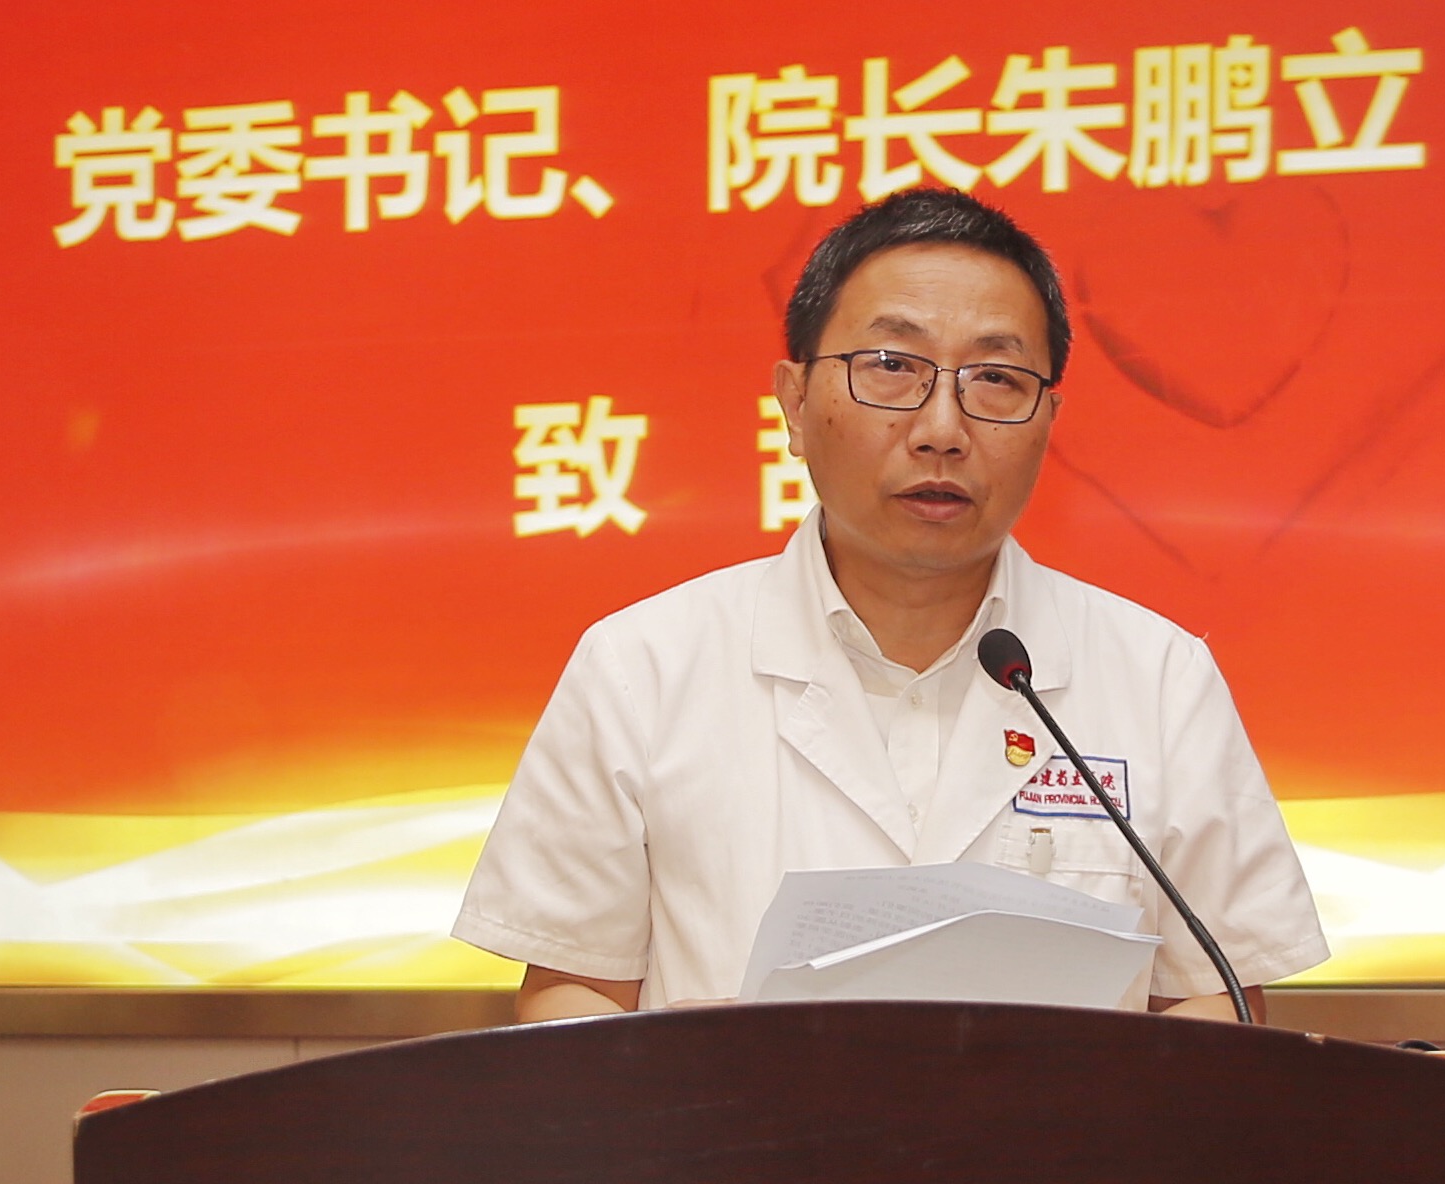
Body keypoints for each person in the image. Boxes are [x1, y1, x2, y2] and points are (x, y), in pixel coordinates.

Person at [454, 188, 1328, 1023]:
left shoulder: (1160, 678)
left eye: (996, 378)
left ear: (1048, 418)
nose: (942, 429)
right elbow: (570, 990)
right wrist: (703, 1070)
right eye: (891, 367)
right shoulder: (641, 668)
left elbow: (1220, 994)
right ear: (795, 403)